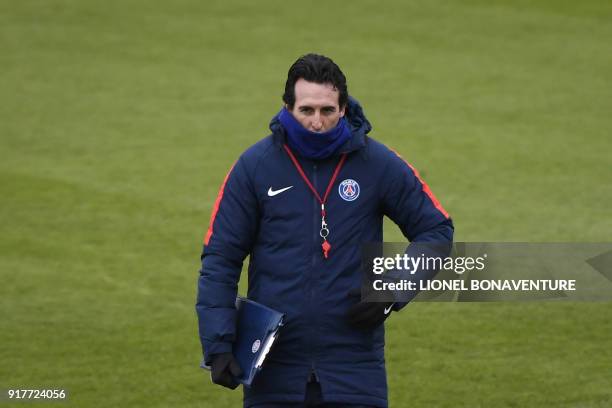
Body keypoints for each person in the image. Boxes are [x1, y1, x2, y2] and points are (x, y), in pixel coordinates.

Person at [196, 53, 454, 408]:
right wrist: (218, 343)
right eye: (306, 111)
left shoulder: (378, 164)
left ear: (343, 108)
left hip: (354, 368)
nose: (316, 122)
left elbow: (437, 230)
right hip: (274, 367)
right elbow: (221, 258)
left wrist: (392, 290)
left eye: (327, 111)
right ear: (287, 107)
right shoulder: (254, 168)